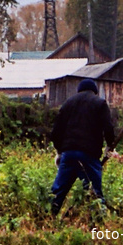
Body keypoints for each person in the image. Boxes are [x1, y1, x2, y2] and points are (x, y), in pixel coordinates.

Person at [49, 78, 116, 215]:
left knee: (58, 190)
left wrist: (60, 150)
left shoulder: (68, 103)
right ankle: (98, 221)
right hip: (88, 154)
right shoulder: (99, 103)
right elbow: (108, 128)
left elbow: (56, 131)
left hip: (68, 153)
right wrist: (110, 145)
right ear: (95, 92)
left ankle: (48, 216)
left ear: (79, 91)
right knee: (94, 190)